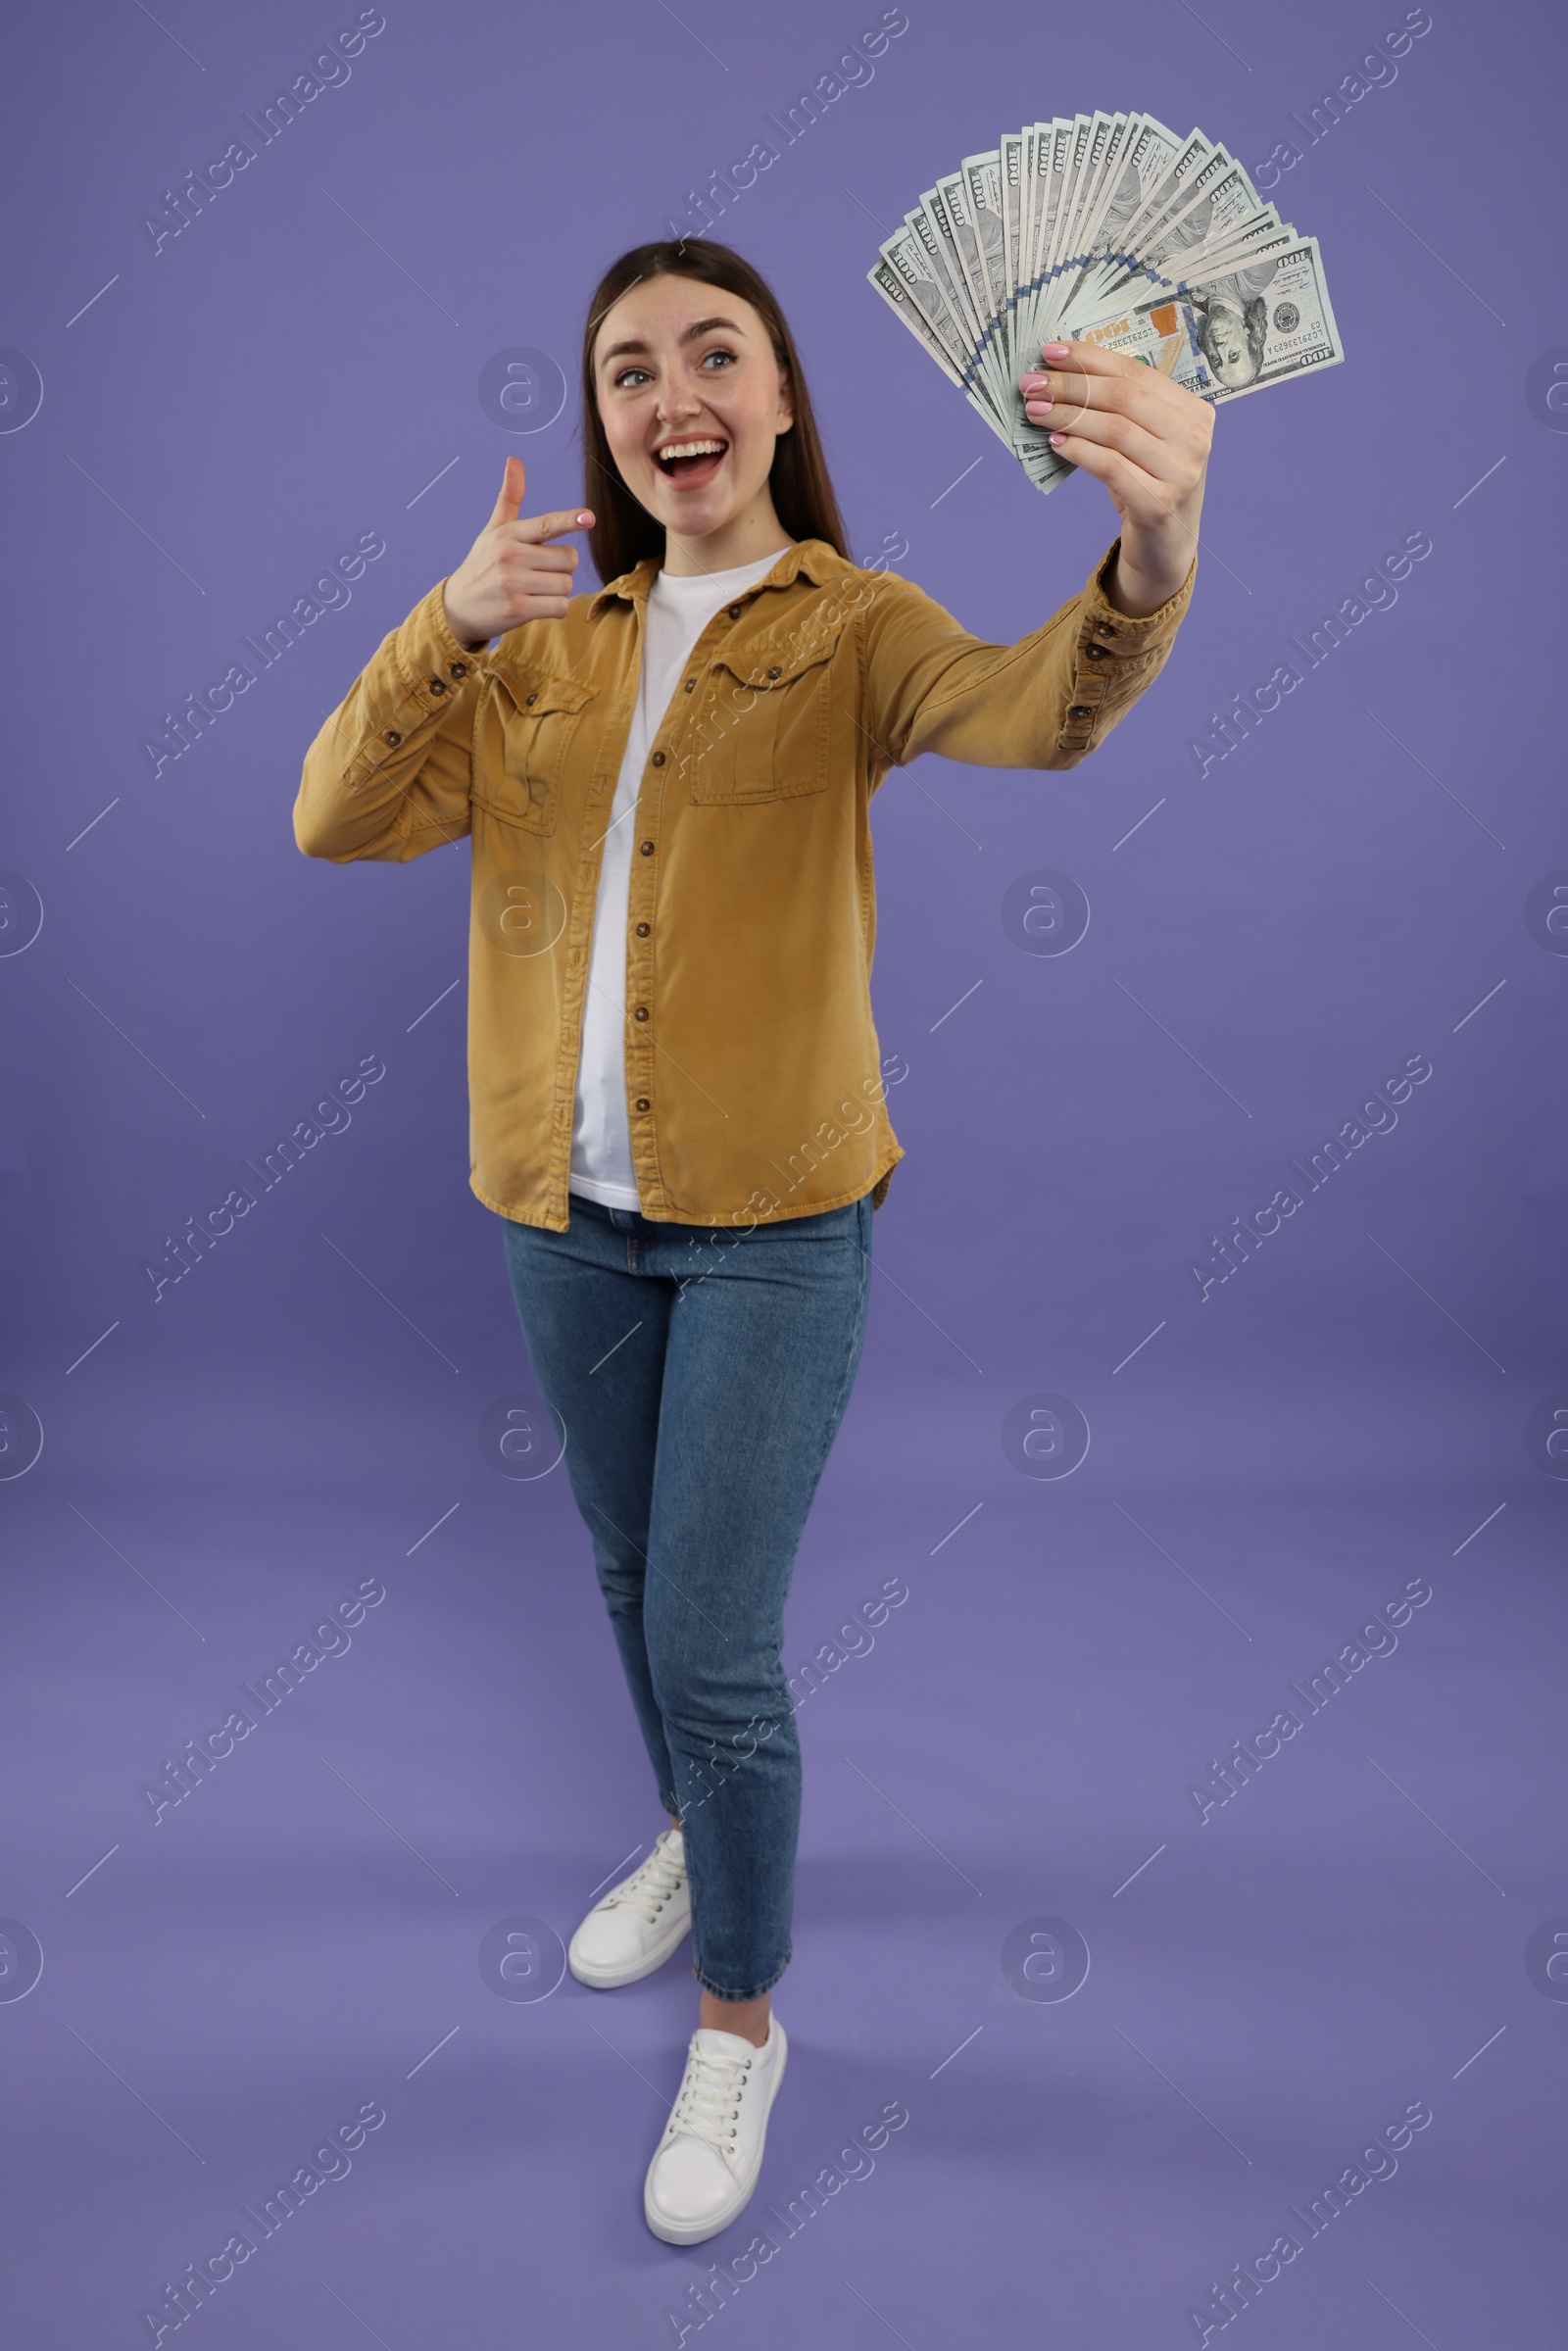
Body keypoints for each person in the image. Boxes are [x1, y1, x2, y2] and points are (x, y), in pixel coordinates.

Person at [293, 236, 1211, 2245]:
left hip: (777, 1219)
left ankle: (743, 2018)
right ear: (605, 426)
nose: (670, 390)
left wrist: (1145, 560)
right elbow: (333, 819)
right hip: (558, 1211)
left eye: (715, 352)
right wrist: (444, 624)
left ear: (781, 400)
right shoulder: (537, 640)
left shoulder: (855, 625)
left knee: (713, 1643)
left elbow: (1029, 711)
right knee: (628, 1575)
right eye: (628, 367)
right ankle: (698, 1843)